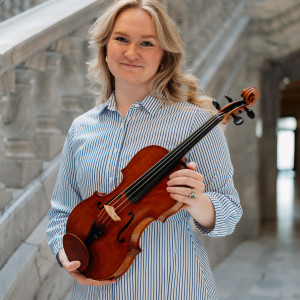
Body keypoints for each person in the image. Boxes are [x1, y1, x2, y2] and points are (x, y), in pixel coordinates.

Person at [47, 0, 242, 299]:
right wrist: (66, 255)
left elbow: (230, 212)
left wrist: (197, 201)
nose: (131, 52)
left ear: (163, 55)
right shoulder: (82, 128)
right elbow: (61, 213)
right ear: (105, 47)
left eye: (147, 43)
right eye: (121, 39)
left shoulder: (196, 124)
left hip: (172, 288)